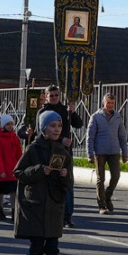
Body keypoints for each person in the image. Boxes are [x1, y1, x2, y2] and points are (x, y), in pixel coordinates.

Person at [11, 109, 71, 255]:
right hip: (35, 206)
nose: (57, 129)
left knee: (53, 249)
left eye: (59, 126)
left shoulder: (63, 152)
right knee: (37, 247)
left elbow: (69, 183)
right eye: (52, 126)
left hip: (54, 205)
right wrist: (39, 170)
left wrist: (64, 175)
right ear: (43, 128)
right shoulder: (33, 149)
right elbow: (18, 172)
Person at [37, 85, 86, 227]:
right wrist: (60, 139)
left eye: (56, 95)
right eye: (51, 95)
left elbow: (78, 124)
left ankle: (67, 216)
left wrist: (73, 112)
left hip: (64, 152)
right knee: (50, 182)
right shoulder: (42, 112)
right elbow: (41, 133)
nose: (54, 98)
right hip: (48, 151)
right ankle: (50, 213)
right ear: (46, 96)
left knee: (67, 182)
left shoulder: (65, 110)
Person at [85, 94, 126, 214]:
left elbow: (122, 136)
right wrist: (90, 154)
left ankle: (108, 195)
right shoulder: (96, 116)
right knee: (100, 179)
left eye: (112, 103)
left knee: (116, 176)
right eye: (108, 103)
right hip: (100, 152)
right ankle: (102, 205)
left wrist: (125, 153)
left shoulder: (117, 116)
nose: (110, 105)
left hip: (114, 151)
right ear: (103, 102)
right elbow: (90, 136)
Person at [0, 108, 23, 223]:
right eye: (8, 124)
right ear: (3, 125)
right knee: (0, 191)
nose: (10, 126)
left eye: (11, 124)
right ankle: (0, 209)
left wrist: (20, 166)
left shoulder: (15, 138)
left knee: (13, 191)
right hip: (2, 170)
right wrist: (1, 170)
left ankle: (14, 210)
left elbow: (19, 154)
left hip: (13, 169)